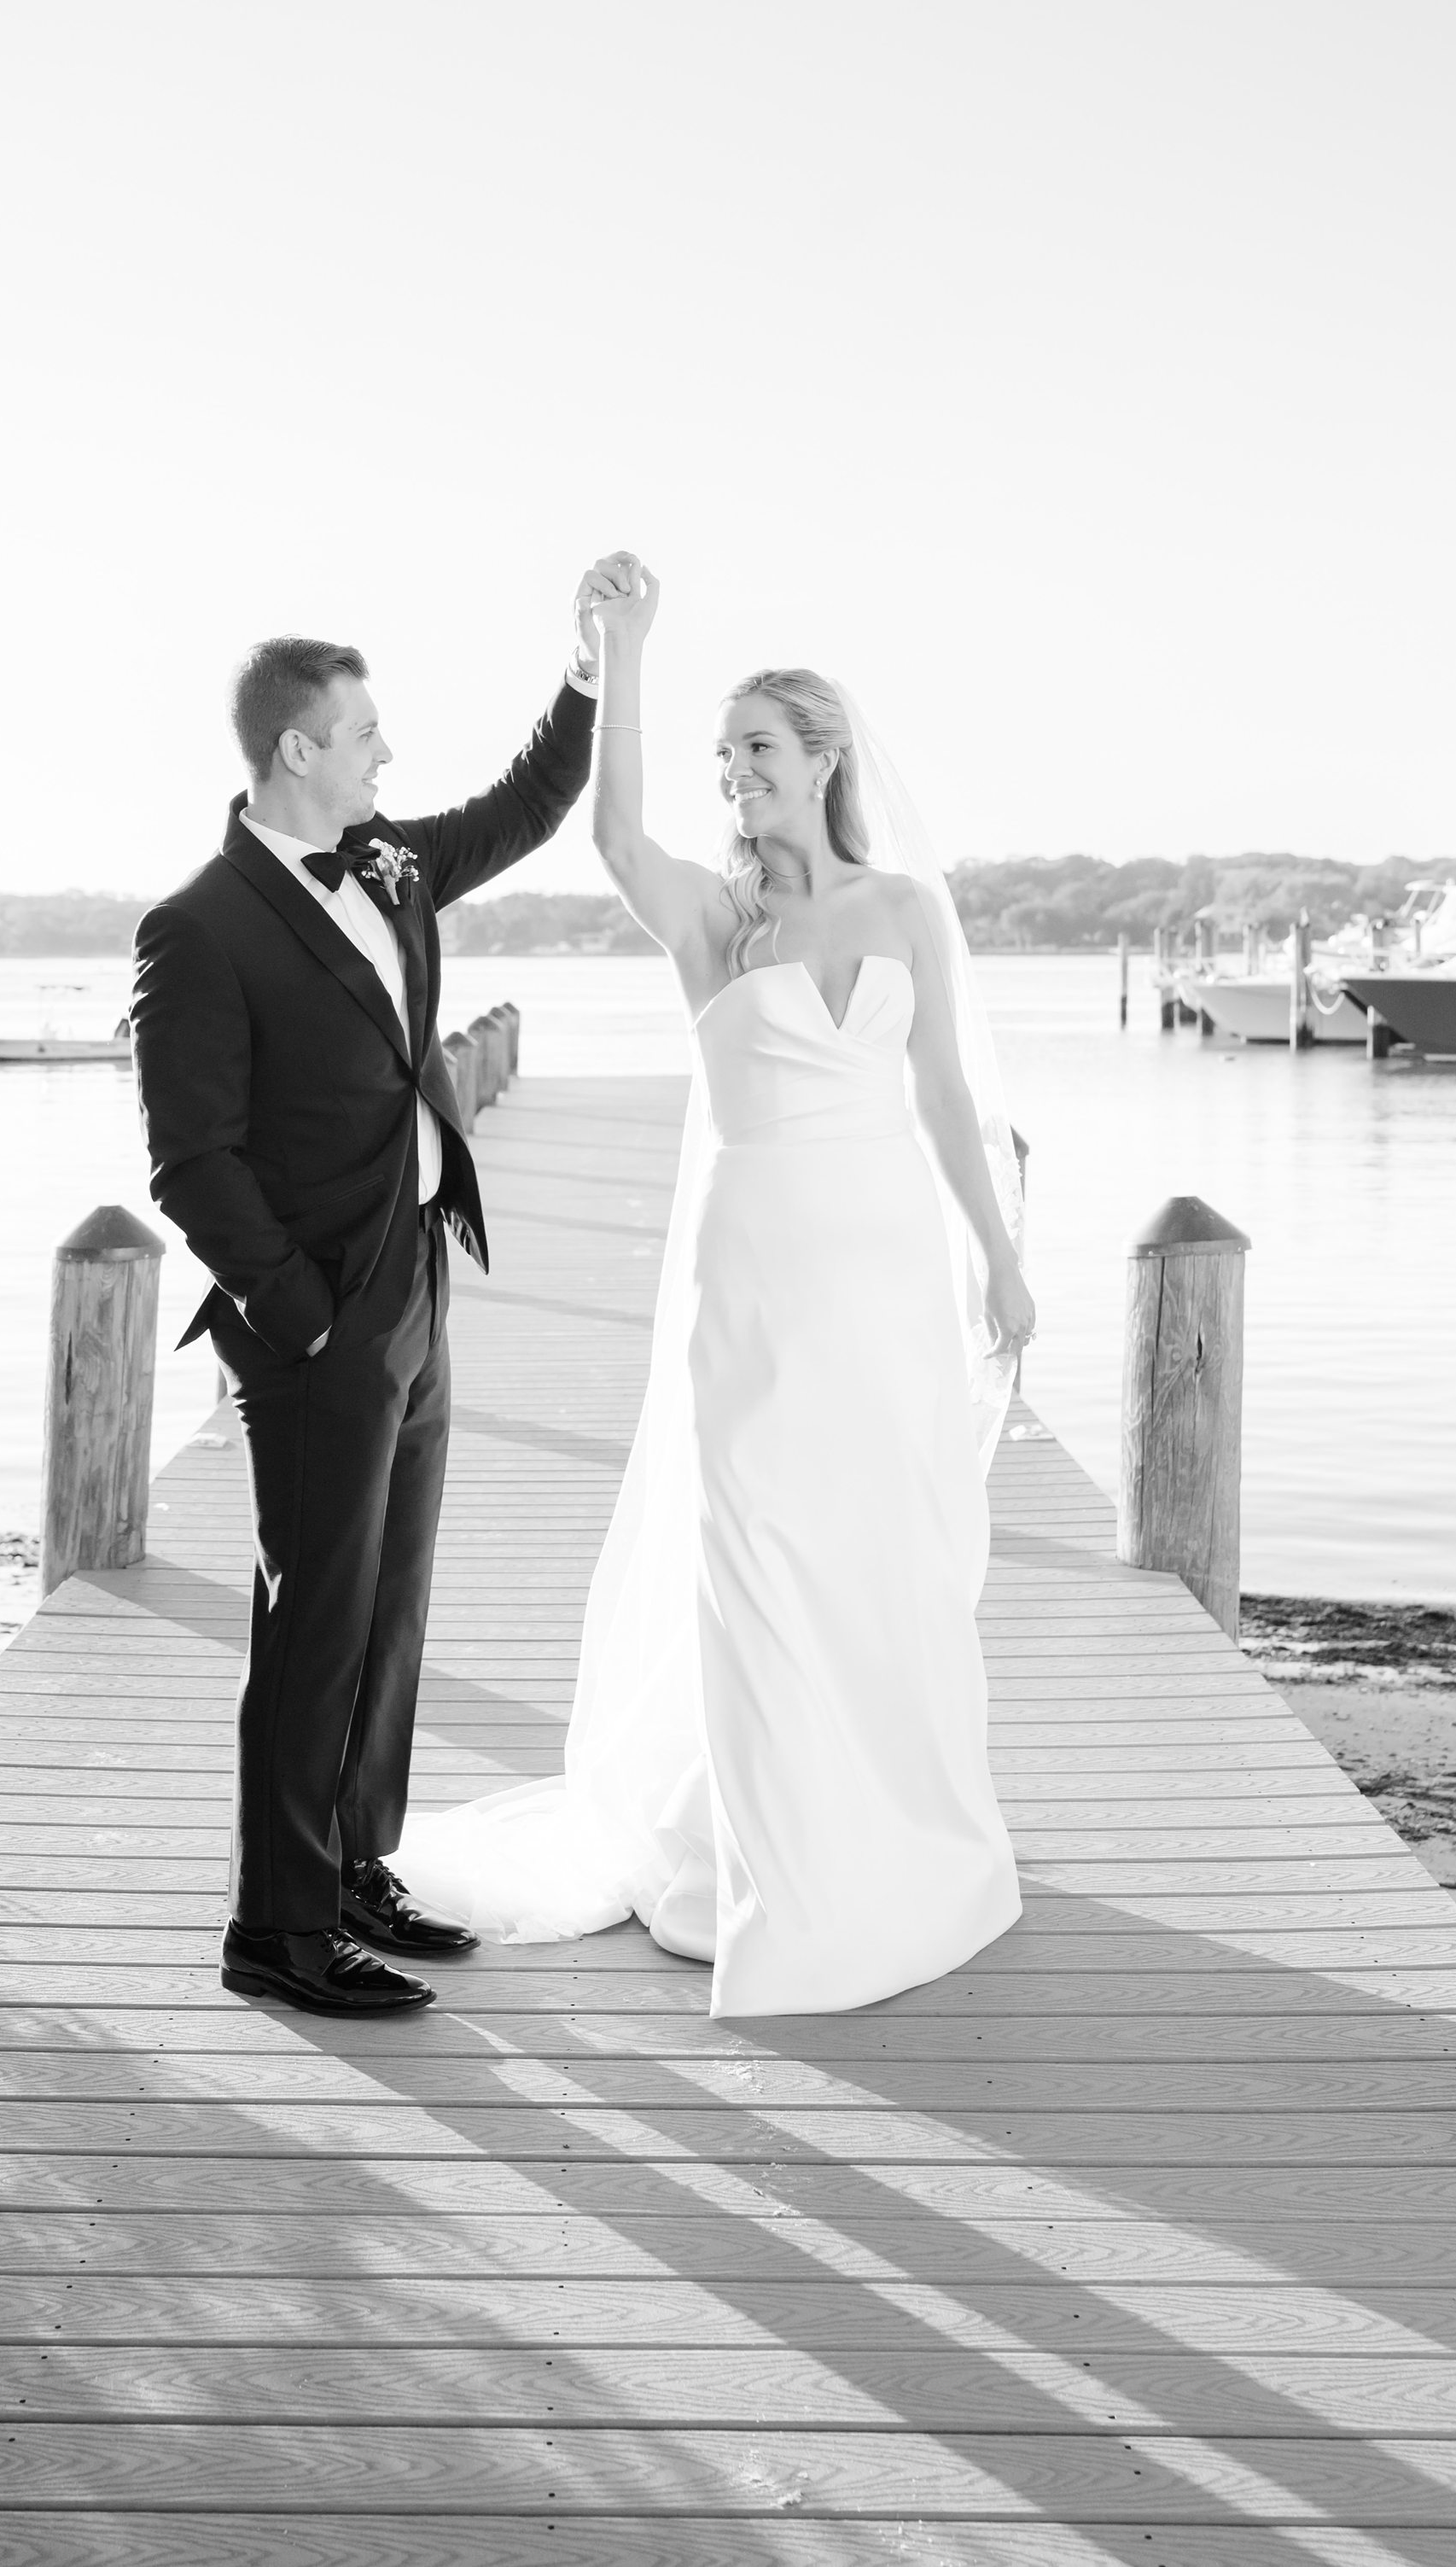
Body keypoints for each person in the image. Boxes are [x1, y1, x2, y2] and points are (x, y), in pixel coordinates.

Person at [393, 556, 1032, 2016]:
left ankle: (883, 1843)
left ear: (825, 762)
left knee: (879, 1553)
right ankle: (767, 1868)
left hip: (884, 1278)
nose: (736, 772)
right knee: (754, 1552)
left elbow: (943, 1098)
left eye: (759, 747)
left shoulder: (903, 912)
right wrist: (621, 649)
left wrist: (993, 1255)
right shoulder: (710, 922)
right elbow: (614, 827)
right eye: (723, 752)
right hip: (753, 1276)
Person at [130, 569, 624, 2018]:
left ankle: (352, 1868)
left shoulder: (393, 862)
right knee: (314, 1617)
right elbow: (191, 1162)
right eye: (362, 735)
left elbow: (526, 807)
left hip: (417, 1277)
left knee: (392, 1602)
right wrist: (301, 1311)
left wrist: (588, 675)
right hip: (320, 1319)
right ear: (297, 750)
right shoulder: (200, 927)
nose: (384, 757)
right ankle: (276, 1935)